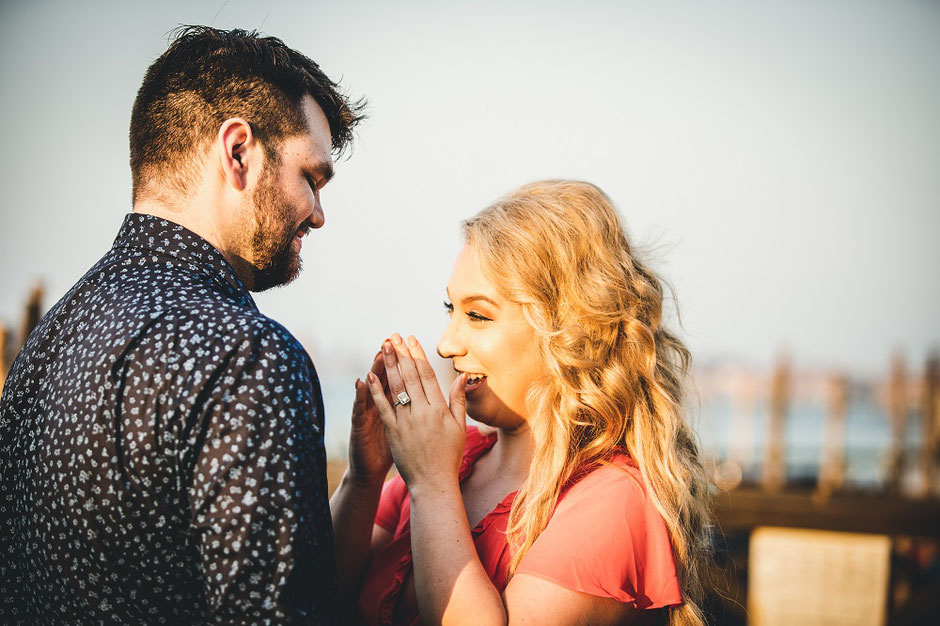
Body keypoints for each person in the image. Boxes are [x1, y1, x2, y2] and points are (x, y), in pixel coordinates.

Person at [0, 26, 364, 623]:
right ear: (239, 150)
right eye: (311, 178)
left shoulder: (47, 342)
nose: (318, 215)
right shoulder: (247, 357)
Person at [331, 180, 713, 625]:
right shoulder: (455, 458)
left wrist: (432, 485)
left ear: (568, 329)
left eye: (477, 315)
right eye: (450, 310)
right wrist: (364, 479)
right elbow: (322, 591)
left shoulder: (613, 500)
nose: (446, 344)